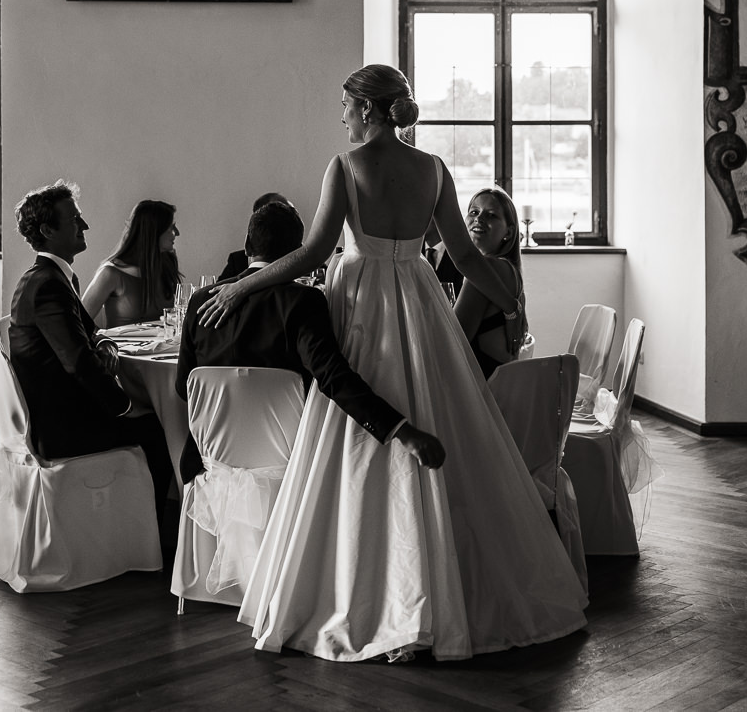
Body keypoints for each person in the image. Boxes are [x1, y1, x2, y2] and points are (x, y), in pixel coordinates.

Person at [197, 63, 587, 662]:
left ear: (368, 110)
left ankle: (376, 594)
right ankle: (438, 592)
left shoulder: (346, 167)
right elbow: (463, 253)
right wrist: (513, 298)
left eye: (346, 106)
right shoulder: (433, 169)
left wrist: (242, 287)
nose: (342, 117)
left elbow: (312, 252)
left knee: (356, 434)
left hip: (362, 310)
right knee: (441, 418)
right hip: (422, 304)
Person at [176, 199, 443, 485]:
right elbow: (333, 376)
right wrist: (401, 431)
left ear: (247, 246)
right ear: (297, 254)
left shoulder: (201, 301)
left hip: (211, 464)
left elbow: (184, 388)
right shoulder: (303, 301)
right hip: (290, 464)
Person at [6, 181, 175, 540]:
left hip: (54, 415)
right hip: (62, 427)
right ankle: (151, 539)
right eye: (75, 220)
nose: (85, 227)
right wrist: (123, 406)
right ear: (48, 231)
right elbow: (79, 363)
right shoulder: (50, 285)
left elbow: (89, 333)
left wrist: (103, 344)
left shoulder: (49, 277)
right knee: (156, 431)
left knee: (152, 421)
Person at [452, 187, 527, 379]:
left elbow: (452, 342)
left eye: (491, 215)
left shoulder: (488, 268)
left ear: (508, 233)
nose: (479, 218)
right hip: (499, 390)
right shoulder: (510, 270)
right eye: (474, 212)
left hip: (479, 395)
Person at [82, 200, 182, 328]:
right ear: (153, 232)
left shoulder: (167, 264)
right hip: (123, 348)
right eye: (171, 228)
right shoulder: (110, 273)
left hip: (167, 347)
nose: (177, 233)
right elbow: (79, 323)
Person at [216, 191, 293, 283]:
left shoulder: (305, 260)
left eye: (291, 211)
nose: (289, 217)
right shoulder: (238, 261)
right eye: (280, 211)